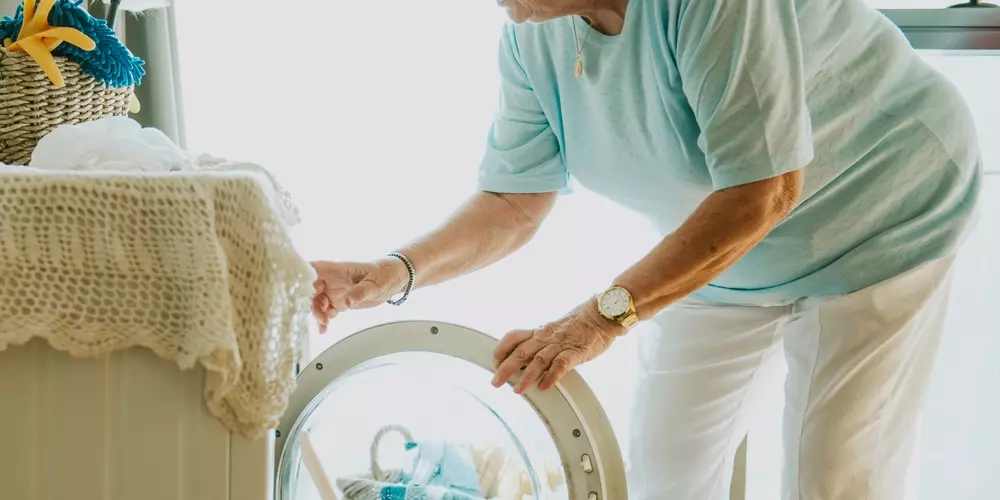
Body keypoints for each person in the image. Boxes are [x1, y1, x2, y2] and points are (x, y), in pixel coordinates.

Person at [311, 0, 983, 498]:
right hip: (726, 254)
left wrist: (593, 323)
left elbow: (764, 192)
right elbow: (514, 202)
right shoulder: (531, 35)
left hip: (877, 215)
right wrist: (393, 272)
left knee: (834, 477)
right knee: (666, 472)